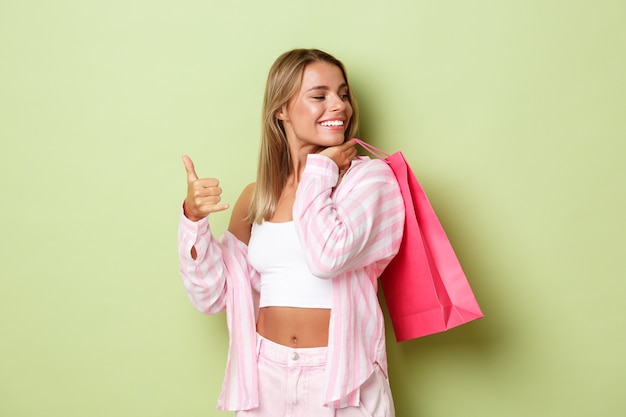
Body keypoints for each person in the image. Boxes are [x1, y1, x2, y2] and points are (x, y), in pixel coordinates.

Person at [178, 48, 405, 416]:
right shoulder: (258, 198)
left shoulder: (370, 181)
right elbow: (212, 296)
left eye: (343, 94)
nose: (339, 106)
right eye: (320, 96)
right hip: (264, 374)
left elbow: (327, 256)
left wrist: (318, 171)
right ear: (280, 110)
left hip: (341, 380)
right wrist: (193, 219)